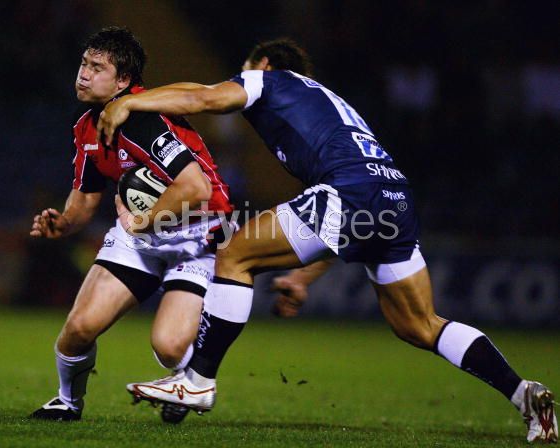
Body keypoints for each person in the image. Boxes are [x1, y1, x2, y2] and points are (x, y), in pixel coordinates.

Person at [97, 39, 557, 443]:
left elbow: (204, 96)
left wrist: (131, 104)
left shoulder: (270, 79)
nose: (238, 78)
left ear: (265, 65)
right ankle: (523, 393)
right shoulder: (328, 105)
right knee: (419, 325)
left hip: (352, 190)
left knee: (235, 254)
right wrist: (303, 277)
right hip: (393, 198)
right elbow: (339, 229)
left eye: (244, 70)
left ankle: (196, 380)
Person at [29, 26, 233, 422]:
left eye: (97, 68)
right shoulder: (86, 125)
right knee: (79, 329)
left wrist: (142, 221)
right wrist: (65, 222)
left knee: (169, 347)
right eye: (84, 64)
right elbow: (86, 196)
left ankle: (188, 382)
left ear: (123, 81)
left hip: (198, 233)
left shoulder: (142, 119)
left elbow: (196, 188)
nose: (83, 74)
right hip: (142, 231)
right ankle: (67, 401)